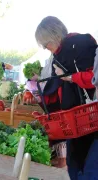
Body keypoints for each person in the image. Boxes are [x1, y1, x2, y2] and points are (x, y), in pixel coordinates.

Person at [35, 16, 98, 180]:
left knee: (88, 169)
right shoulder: (59, 54)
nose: (45, 47)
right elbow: (56, 86)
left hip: (89, 117)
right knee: (74, 164)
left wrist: (70, 77)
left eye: (45, 43)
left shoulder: (82, 44)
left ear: (54, 36)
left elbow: (93, 78)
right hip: (73, 120)